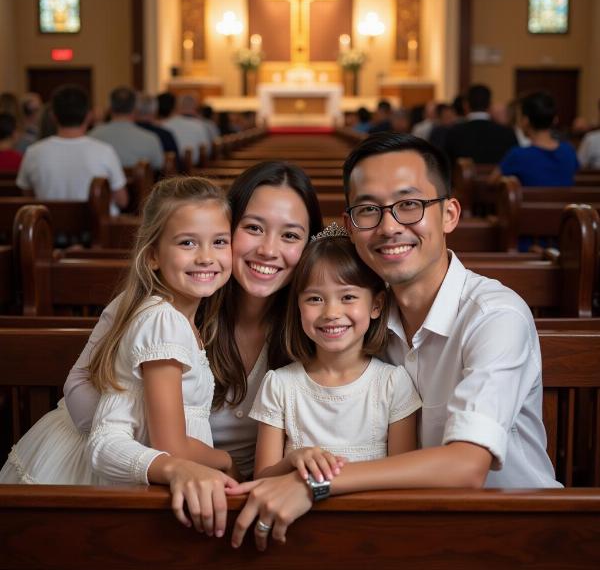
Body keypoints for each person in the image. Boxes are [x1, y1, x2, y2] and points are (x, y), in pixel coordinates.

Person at [227, 132, 560, 551]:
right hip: (406, 531)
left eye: (409, 205)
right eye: (368, 210)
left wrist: (315, 483)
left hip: (517, 532)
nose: (388, 227)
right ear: (349, 226)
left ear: (450, 213)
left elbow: (467, 465)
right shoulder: (361, 320)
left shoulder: (494, 316)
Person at [59, 161, 322, 532]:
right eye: (253, 228)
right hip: (157, 488)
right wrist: (164, 453)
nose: (268, 250)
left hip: (247, 498)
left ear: (309, 245)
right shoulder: (167, 304)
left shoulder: (318, 320)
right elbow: (82, 389)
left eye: (291, 236)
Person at [0, 176, 236, 487]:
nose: (206, 256)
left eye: (219, 241)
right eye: (187, 242)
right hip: (109, 467)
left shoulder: (157, 309)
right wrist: (227, 461)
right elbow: (171, 446)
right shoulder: (165, 320)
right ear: (152, 255)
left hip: (127, 459)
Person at [250, 228, 420, 481]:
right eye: (315, 299)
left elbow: (403, 478)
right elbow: (261, 479)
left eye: (348, 296)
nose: (331, 312)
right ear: (298, 305)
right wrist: (292, 460)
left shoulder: (393, 384)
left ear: (376, 305)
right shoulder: (280, 385)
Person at [16, 84, 128, 215]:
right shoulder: (104, 152)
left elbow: (28, 196)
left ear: (53, 116)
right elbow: (122, 200)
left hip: (49, 230)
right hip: (96, 231)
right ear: (89, 115)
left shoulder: (33, 152)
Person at [500, 91, 579, 186]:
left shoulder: (517, 155)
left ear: (525, 121)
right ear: (555, 119)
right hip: (565, 201)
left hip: (529, 201)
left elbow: (492, 182)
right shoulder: (569, 151)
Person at [90, 86, 164, 172]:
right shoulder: (150, 139)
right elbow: (159, 166)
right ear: (135, 108)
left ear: (109, 108)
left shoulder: (93, 136)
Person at [445, 84, 518, 164]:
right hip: (498, 176)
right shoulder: (507, 133)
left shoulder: (454, 132)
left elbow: (445, 164)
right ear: (489, 105)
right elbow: (514, 162)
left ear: (466, 105)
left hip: (460, 176)